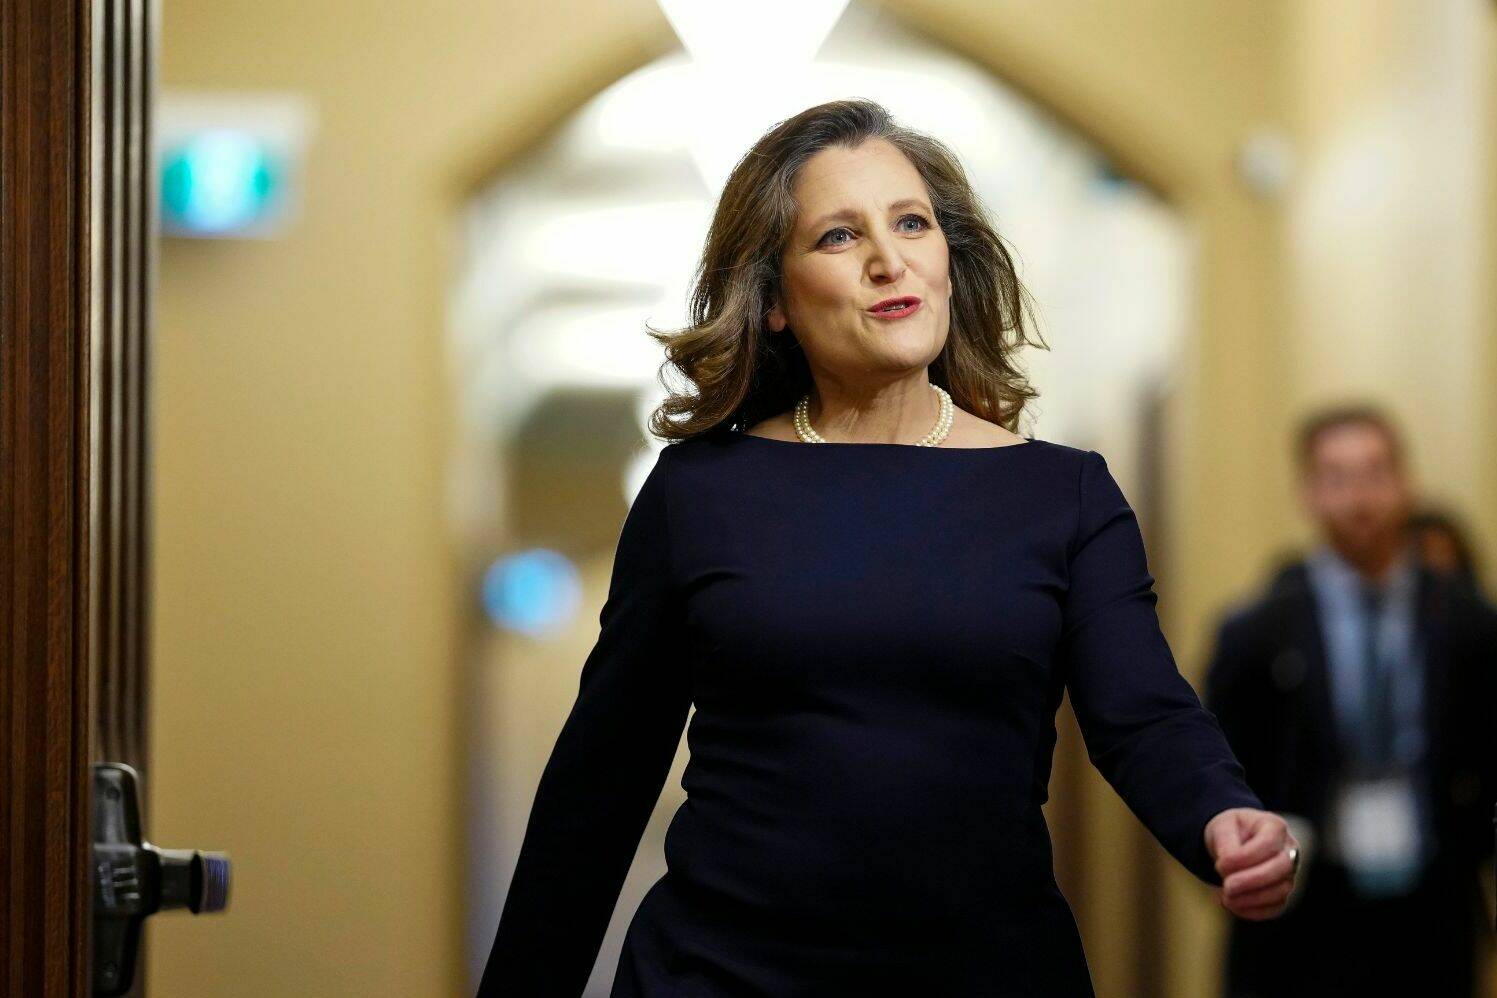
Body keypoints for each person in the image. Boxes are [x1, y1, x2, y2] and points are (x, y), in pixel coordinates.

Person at [478, 98, 1298, 998]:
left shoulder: (1060, 493)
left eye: (911, 223)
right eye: (837, 236)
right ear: (777, 300)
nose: (887, 259)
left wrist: (1221, 815)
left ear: (949, 258)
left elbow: (1143, 715)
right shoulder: (698, 494)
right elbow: (603, 775)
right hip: (723, 972)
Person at [1204, 405, 1497, 998]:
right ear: (1308, 493)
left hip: (1433, 904)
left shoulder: (1467, 620)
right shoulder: (1258, 631)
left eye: (1375, 472)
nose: (1359, 496)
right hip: (1304, 908)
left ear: (1406, 482)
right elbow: (1217, 764)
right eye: (1336, 477)